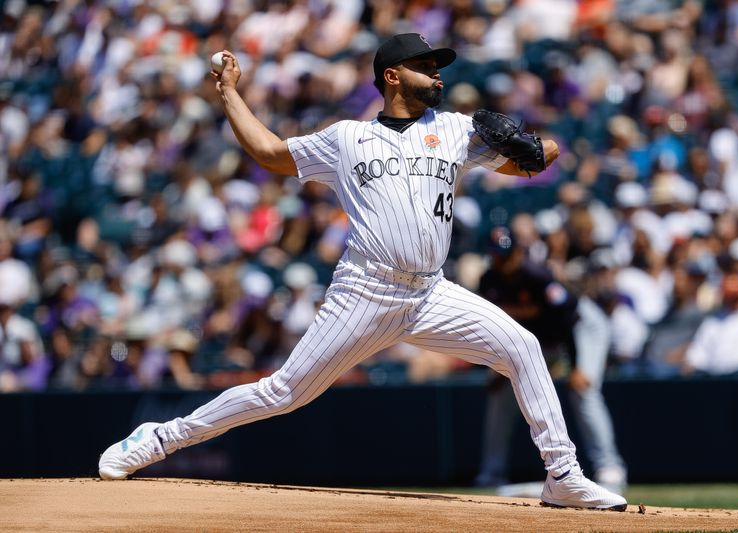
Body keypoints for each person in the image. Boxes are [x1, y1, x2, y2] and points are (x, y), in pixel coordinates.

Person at [98, 33, 626, 511]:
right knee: (283, 393)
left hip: (431, 293)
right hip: (366, 291)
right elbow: (269, 153)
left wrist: (532, 143)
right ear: (392, 76)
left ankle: (563, 475)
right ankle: (161, 437)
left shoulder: (457, 130)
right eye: (425, 66)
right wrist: (230, 92)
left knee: (523, 348)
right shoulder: (347, 137)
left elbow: (537, 159)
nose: (438, 75)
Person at [475, 228, 627, 495]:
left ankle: (609, 466)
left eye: (507, 255)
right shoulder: (488, 281)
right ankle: (492, 470)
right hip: (538, 340)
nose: (503, 261)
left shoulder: (538, 276)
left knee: (584, 389)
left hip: (580, 328)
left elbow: (566, 319)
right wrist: (496, 367)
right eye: (497, 256)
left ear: (518, 253)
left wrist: (577, 365)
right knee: (501, 393)